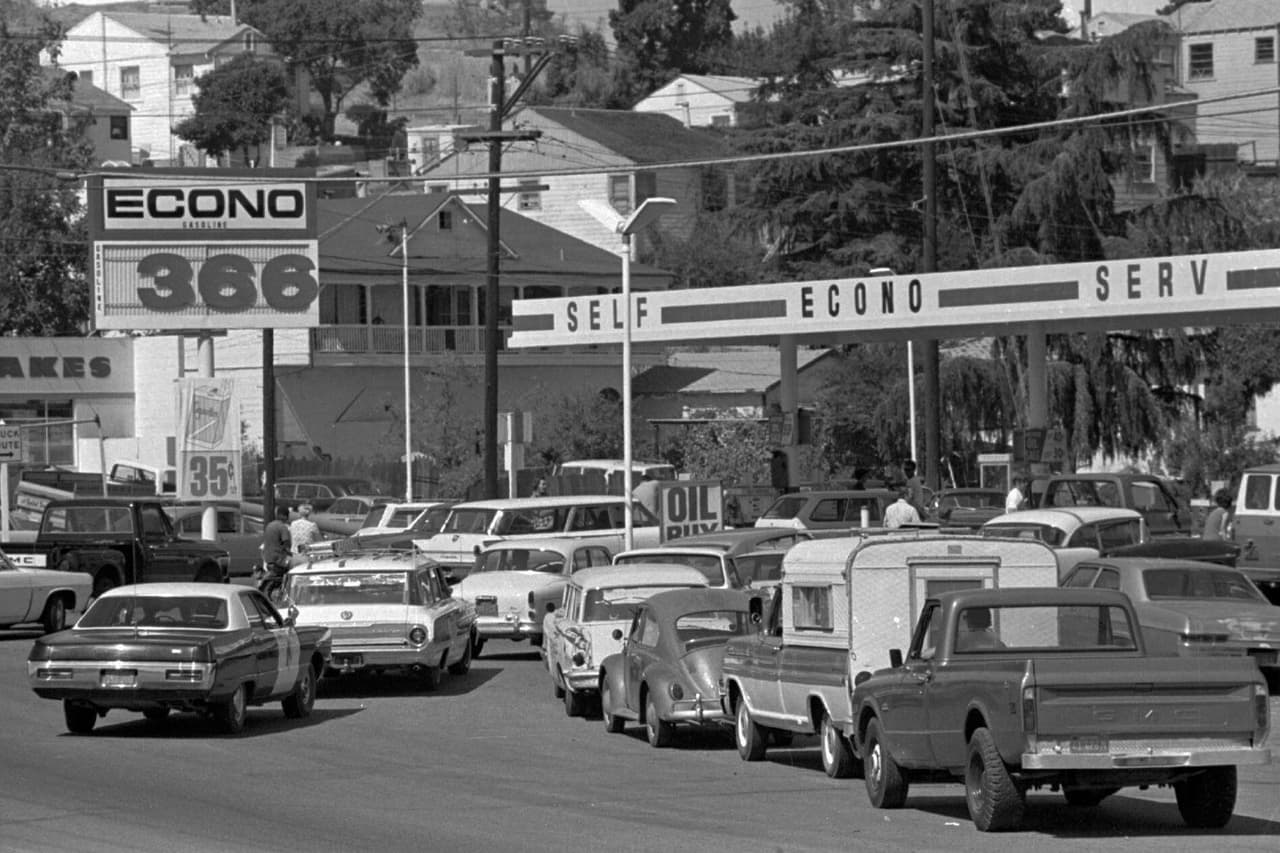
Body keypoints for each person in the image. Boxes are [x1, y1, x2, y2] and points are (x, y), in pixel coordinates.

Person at [259, 505, 293, 600]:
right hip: (278, 559)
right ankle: (289, 592)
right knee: (295, 566)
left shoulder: (269, 526)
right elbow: (286, 544)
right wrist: (290, 553)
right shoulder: (282, 527)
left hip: (267, 558)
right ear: (286, 516)